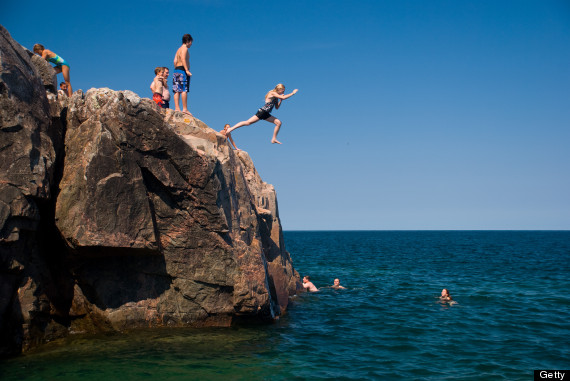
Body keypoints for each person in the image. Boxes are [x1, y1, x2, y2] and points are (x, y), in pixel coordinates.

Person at [223, 84, 298, 144]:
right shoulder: (272, 93)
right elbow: (284, 97)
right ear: (279, 89)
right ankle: (231, 128)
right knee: (247, 122)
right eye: (282, 91)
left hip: (266, 114)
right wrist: (293, 93)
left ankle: (274, 138)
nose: (283, 92)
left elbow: (277, 107)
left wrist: (281, 100)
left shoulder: (276, 97)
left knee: (278, 123)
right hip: (262, 112)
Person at [172, 34, 193, 115]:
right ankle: (185, 109)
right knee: (184, 90)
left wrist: (177, 68)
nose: (191, 44)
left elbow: (174, 61)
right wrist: (186, 70)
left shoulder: (178, 49)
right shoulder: (184, 48)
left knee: (176, 90)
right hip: (183, 70)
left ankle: (177, 108)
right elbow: (183, 58)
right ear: (188, 41)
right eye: (191, 42)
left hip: (177, 70)